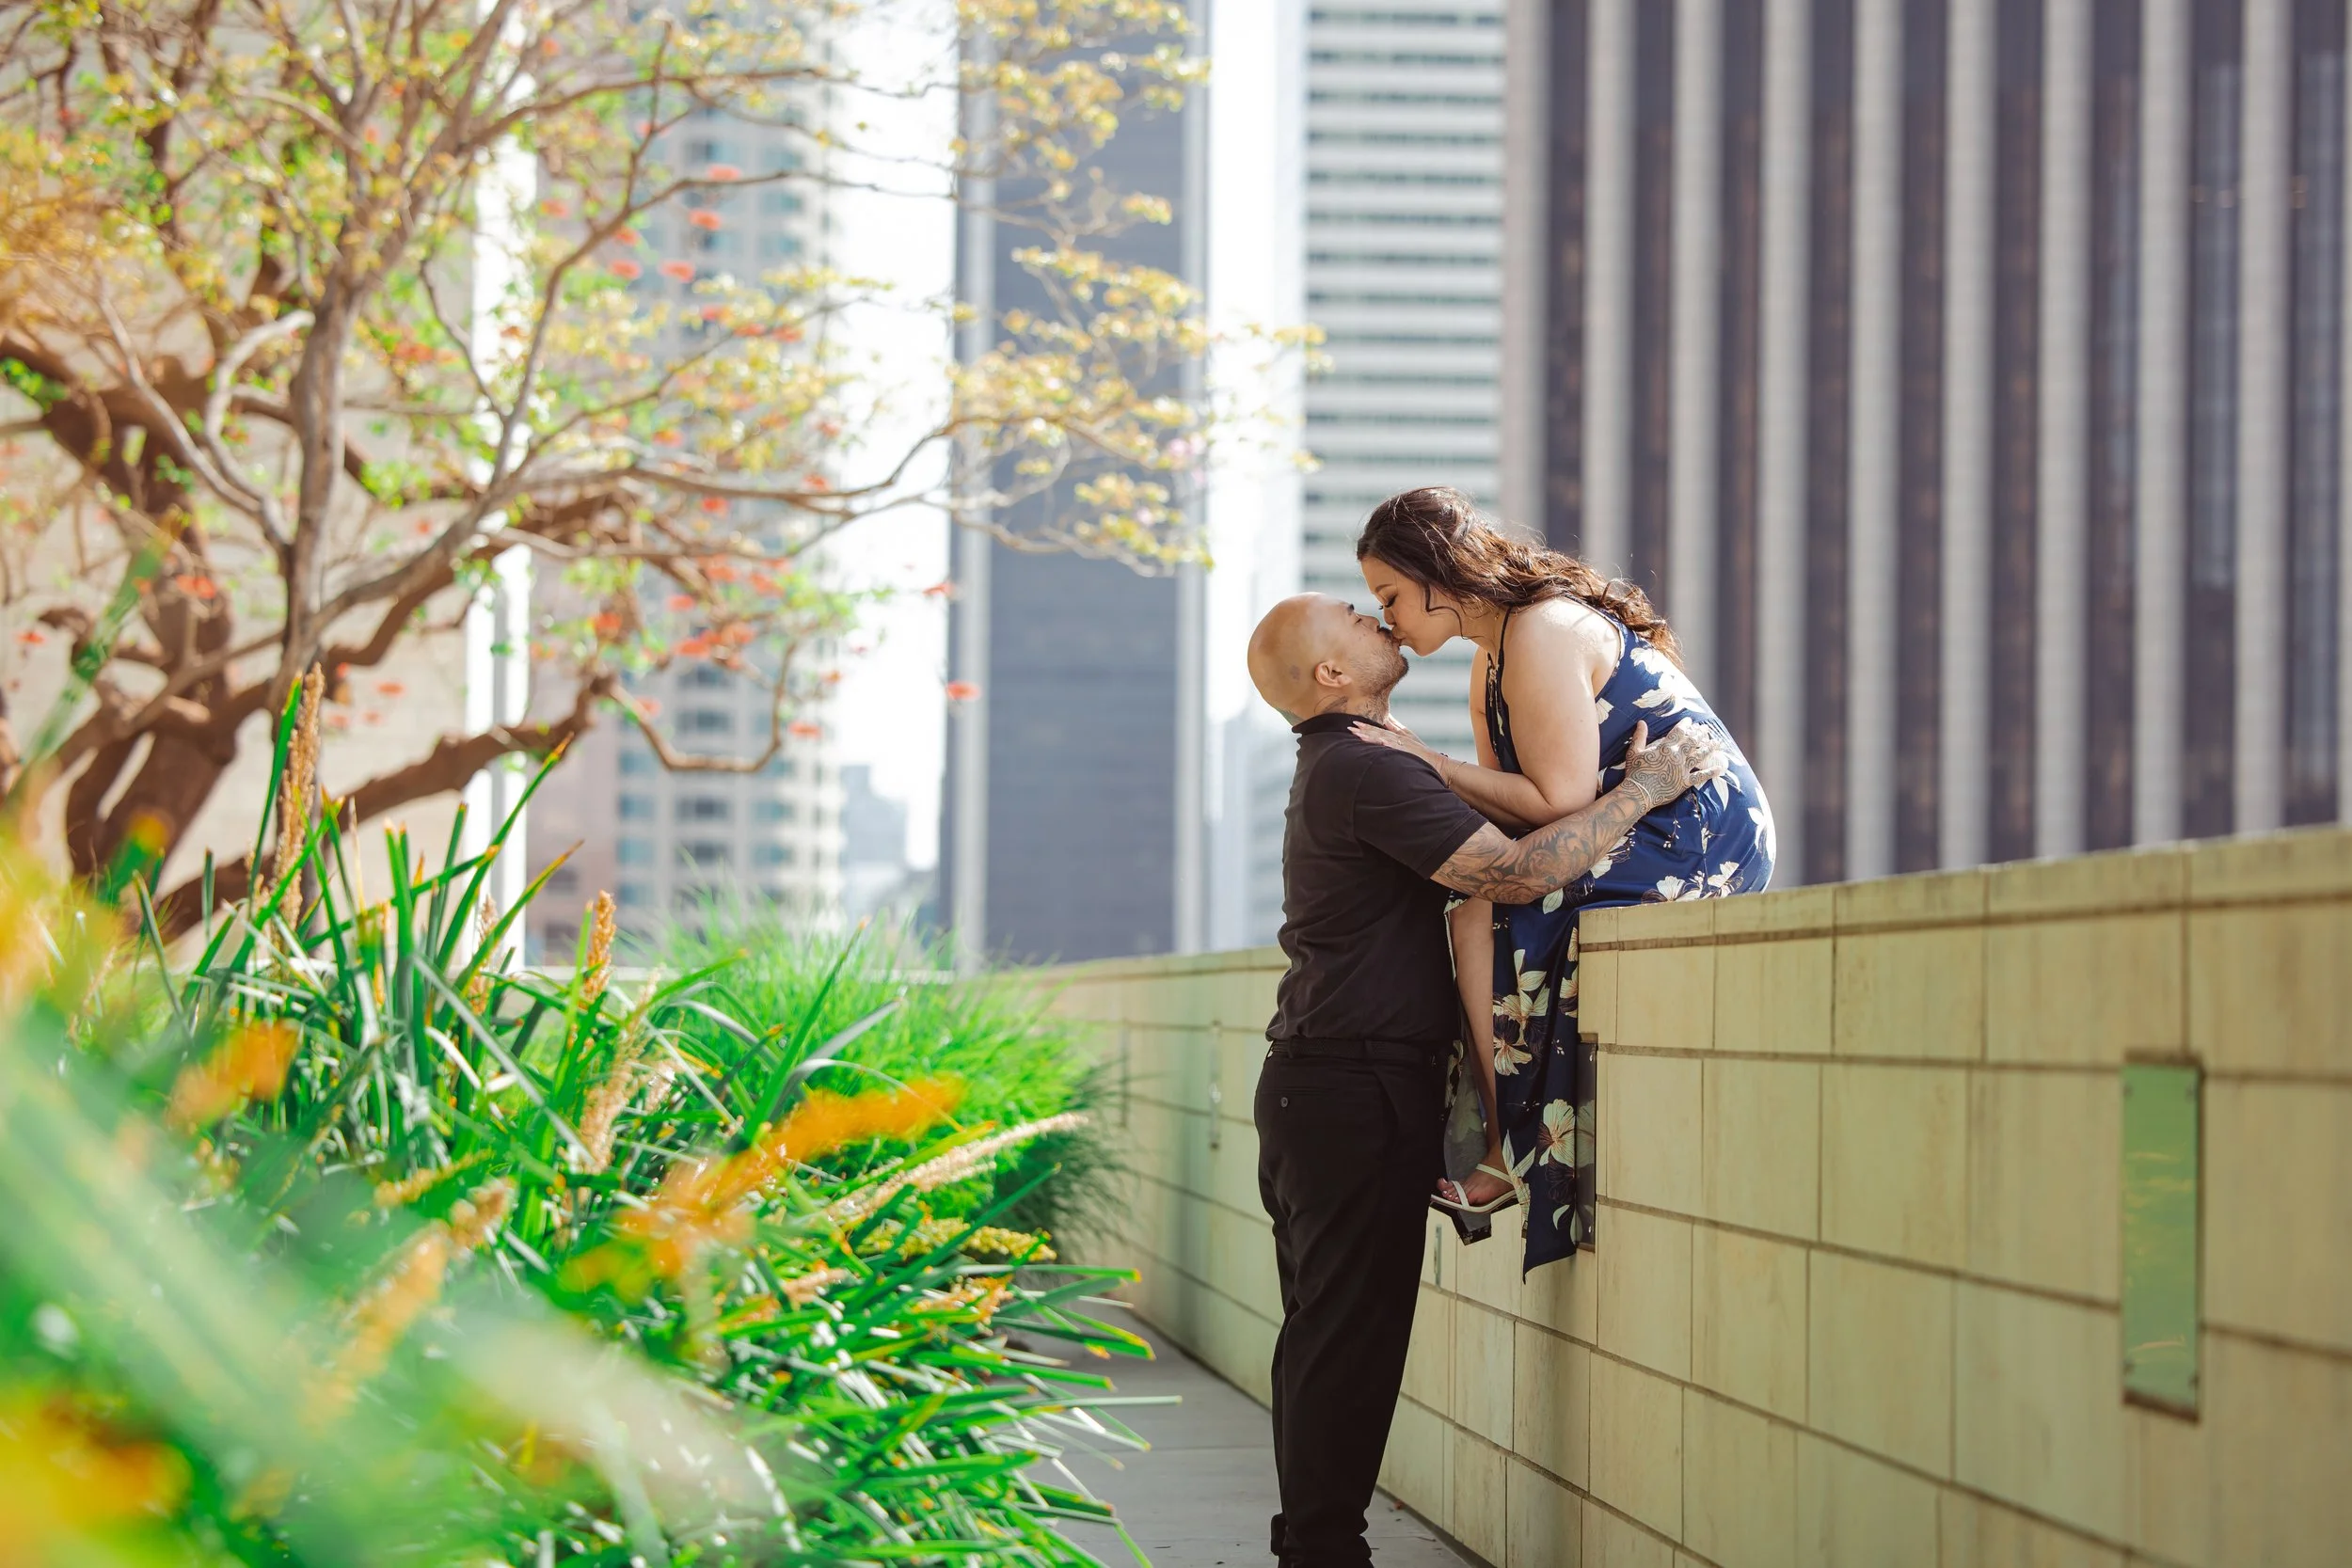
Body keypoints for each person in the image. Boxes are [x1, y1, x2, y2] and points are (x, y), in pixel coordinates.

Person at [1245, 591, 1720, 1568]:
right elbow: (1506, 875)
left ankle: (1312, 1542)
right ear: (1332, 675)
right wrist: (1646, 789)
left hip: (1320, 1084)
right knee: (1349, 1340)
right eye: (1352, 612)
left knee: (1327, 1333)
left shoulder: (1353, 763)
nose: (1370, 612)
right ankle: (1322, 1550)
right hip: (1350, 1086)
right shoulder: (1362, 766)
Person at [1353, 484, 1775, 1274]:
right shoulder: (1491, 661)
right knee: (1470, 904)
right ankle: (1502, 1138)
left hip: (1690, 823)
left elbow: (1558, 801)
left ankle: (1499, 1147)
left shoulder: (1541, 631)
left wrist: (1422, 763)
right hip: (1627, 815)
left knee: (1483, 907)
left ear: (1437, 574)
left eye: (1391, 596)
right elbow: (1517, 816)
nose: (1388, 620)